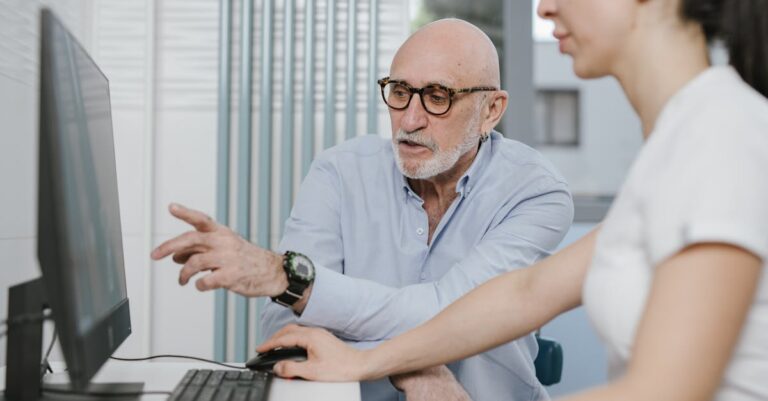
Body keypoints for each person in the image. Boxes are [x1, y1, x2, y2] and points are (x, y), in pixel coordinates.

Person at [257, 0, 768, 400]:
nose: (544, 8)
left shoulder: (720, 133)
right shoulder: (676, 142)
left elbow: (669, 390)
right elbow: (525, 294)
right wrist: (371, 363)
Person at [151, 19, 574, 401]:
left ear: (491, 111)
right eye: (400, 92)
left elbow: (450, 314)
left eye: (437, 97)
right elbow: (286, 330)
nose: (409, 120)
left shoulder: (535, 193)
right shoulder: (339, 172)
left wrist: (292, 280)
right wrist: (412, 367)